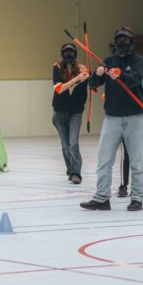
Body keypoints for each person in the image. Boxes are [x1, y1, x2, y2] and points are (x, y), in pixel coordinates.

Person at [81, 26, 143, 211]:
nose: (121, 43)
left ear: (132, 42)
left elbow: (135, 79)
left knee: (136, 161)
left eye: (125, 40)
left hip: (135, 118)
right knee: (104, 159)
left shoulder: (137, 60)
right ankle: (102, 198)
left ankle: (137, 198)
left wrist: (121, 75)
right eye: (118, 40)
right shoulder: (109, 61)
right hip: (112, 119)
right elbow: (92, 85)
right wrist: (97, 74)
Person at [52, 43, 89, 184]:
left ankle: (76, 173)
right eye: (66, 52)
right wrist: (76, 79)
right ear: (62, 54)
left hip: (75, 112)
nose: (69, 55)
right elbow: (59, 89)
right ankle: (70, 170)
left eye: (72, 52)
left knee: (73, 143)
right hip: (59, 111)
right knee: (65, 144)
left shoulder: (82, 69)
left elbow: (89, 85)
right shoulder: (57, 67)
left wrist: (87, 77)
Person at [117, 76, 143, 197]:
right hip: (123, 120)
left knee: (137, 156)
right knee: (125, 155)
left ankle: (136, 188)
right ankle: (123, 185)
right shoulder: (120, 79)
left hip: (139, 122)